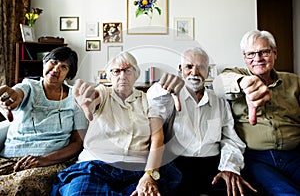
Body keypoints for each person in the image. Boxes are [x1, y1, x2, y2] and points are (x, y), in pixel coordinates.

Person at [51, 51, 181, 196]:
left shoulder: (148, 100)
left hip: (137, 167)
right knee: (78, 192)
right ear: (109, 76)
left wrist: (149, 175)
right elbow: (93, 97)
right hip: (96, 165)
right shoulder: (103, 93)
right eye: (116, 71)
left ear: (136, 75)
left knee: (154, 189)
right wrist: (85, 97)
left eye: (127, 70)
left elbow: (157, 139)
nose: (122, 76)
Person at [147, 47, 256, 196]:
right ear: (180, 69)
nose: (194, 72)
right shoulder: (170, 97)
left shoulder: (220, 100)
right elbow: (153, 100)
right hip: (176, 165)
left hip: (212, 164)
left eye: (201, 67)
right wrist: (162, 87)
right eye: (189, 67)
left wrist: (229, 167)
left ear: (208, 71)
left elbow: (230, 139)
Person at [212, 30, 300, 195]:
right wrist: (245, 82)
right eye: (250, 54)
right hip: (258, 159)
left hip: (294, 155)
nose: (257, 58)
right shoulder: (235, 76)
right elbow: (218, 85)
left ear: (274, 53)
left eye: (264, 52)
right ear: (244, 58)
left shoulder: (294, 81)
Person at [0, 46, 88, 195]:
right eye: (53, 62)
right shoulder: (29, 86)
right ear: (44, 63)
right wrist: (10, 98)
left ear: (69, 73)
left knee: (23, 185)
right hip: (9, 157)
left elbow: (77, 143)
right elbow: (16, 95)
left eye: (64, 66)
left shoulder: (75, 96)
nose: (56, 69)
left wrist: (43, 160)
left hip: (49, 162)